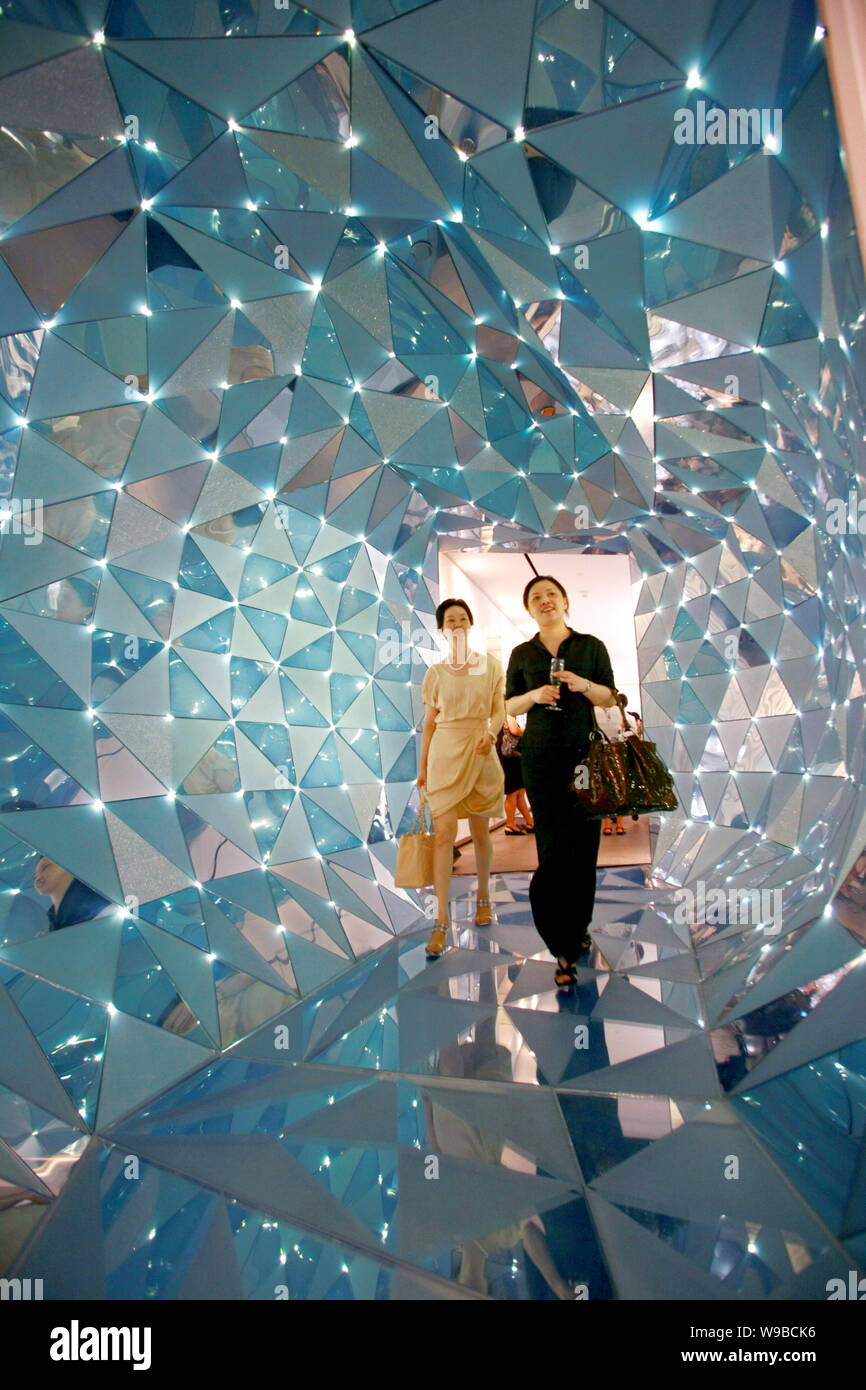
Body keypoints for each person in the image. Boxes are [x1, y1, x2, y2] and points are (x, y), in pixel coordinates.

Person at [505, 575, 618, 989]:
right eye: (536, 597)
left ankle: (578, 927)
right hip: (541, 760)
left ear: (565, 600)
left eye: (551, 594)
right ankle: (561, 946)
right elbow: (509, 705)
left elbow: (610, 697)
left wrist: (582, 685)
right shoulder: (522, 653)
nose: (545, 600)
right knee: (552, 849)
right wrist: (534, 696)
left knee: (584, 850)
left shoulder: (590, 646)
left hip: (585, 757)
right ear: (529, 609)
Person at [417, 599, 505, 960]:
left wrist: (493, 734)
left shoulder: (491, 666)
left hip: (480, 749)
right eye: (449, 619)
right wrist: (422, 768)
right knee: (443, 834)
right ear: (441, 628)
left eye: (462, 618)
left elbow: (500, 709)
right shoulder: (435, 673)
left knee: (482, 831)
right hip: (443, 752)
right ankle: (440, 919)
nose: (456, 623)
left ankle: (484, 896)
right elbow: (429, 723)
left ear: (470, 624)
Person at [496, 715, 534, 834]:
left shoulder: (504, 717)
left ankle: (530, 822)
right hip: (510, 760)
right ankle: (510, 824)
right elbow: (515, 731)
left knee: (519, 792)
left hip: (512, 759)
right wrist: (529, 731)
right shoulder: (508, 716)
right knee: (513, 792)